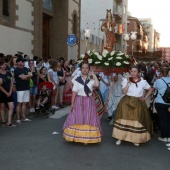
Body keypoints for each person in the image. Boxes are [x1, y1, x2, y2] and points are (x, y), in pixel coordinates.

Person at [112, 65, 153, 146]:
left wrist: (145, 97)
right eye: (132, 71)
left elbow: (150, 89)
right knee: (123, 119)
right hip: (126, 101)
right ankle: (120, 137)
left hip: (137, 102)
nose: (133, 73)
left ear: (138, 72)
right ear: (129, 71)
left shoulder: (142, 81)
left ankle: (136, 138)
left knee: (137, 120)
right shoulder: (125, 80)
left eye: (135, 71)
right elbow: (124, 91)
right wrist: (128, 82)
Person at [63, 63, 102, 144]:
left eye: (86, 68)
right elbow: (74, 92)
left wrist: (94, 75)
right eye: (83, 68)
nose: (84, 69)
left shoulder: (91, 79)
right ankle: (76, 137)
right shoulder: (77, 79)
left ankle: (88, 138)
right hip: (79, 100)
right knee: (77, 117)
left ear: (89, 69)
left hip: (89, 101)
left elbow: (97, 85)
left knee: (89, 118)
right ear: (81, 69)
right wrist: (72, 104)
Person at [14, 56, 32, 123]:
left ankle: (24, 117)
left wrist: (26, 76)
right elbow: (23, 78)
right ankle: (18, 118)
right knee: (19, 103)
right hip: (20, 88)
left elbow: (29, 76)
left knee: (24, 103)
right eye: (22, 61)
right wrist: (27, 76)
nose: (23, 62)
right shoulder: (17, 70)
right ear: (18, 62)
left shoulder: (25, 69)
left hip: (26, 88)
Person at [154, 67, 170, 143]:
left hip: (160, 102)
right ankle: (169, 136)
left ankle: (164, 136)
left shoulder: (158, 81)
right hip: (169, 103)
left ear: (160, 73)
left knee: (162, 120)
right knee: (168, 119)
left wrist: (159, 78)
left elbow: (155, 88)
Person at [0, 60, 15, 127]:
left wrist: (10, 91)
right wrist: (6, 92)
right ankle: (3, 121)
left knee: (11, 106)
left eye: (4, 65)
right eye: (2, 65)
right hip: (2, 92)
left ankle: (9, 121)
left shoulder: (8, 73)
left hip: (9, 92)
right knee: (2, 107)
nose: (4, 66)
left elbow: (11, 82)